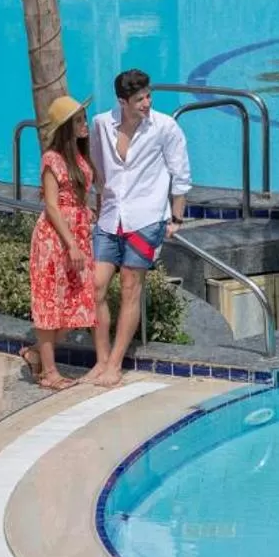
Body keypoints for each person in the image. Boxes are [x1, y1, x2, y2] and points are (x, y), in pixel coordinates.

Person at [86, 68, 190, 387]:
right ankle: (101, 360)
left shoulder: (165, 127)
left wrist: (176, 219)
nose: (146, 103)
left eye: (148, 96)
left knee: (131, 285)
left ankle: (115, 364)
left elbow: (180, 174)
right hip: (110, 217)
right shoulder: (102, 124)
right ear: (122, 101)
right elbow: (97, 169)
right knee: (95, 287)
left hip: (146, 218)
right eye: (139, 99)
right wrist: (95, 204)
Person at [20, 94, 103, 391]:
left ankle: (34, 355)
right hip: (56, 239)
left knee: (79, 302)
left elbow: (74, 195)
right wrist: (71, 242)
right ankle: (49, 373)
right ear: (66, 127)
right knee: (51, 303)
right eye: (78, 121)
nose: (84, 125)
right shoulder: (52, 159)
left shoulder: (80, 156)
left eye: (83, 119)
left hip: (77, 233)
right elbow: (53, 206)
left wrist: (85, 211)